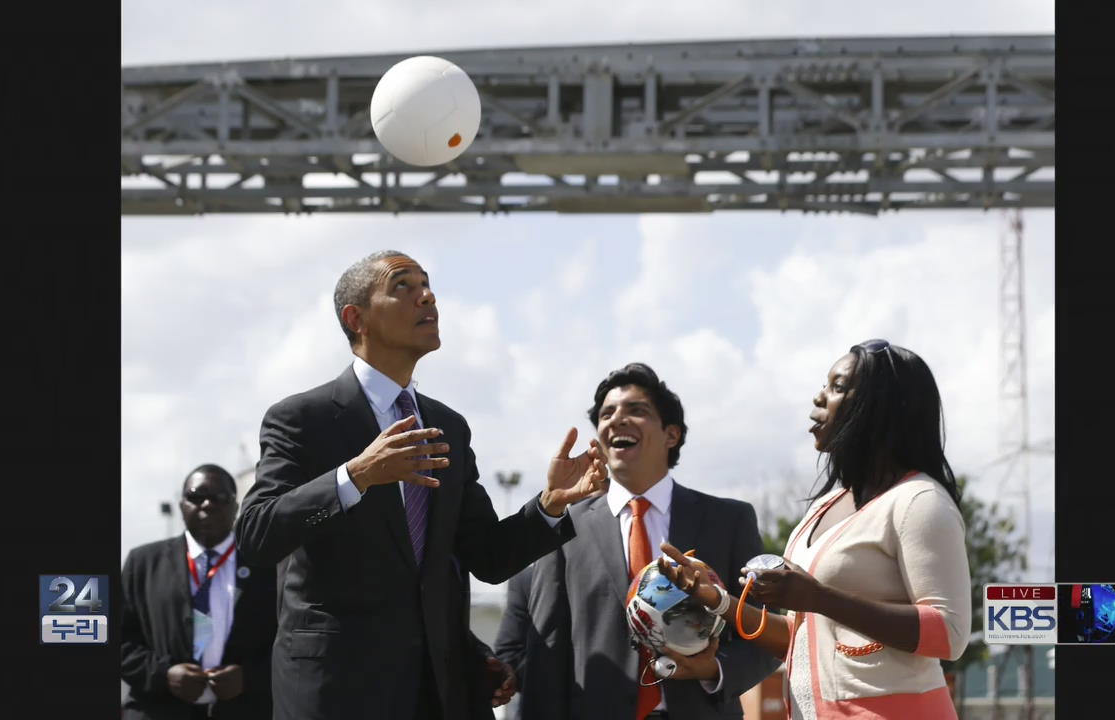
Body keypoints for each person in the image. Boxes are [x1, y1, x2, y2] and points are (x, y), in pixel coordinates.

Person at [235, 250, 606, 720]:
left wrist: (551, 504)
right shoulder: (302, 420)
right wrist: (356, 476)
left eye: (427, 284)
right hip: (337, 691)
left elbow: (487, 557)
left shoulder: (448, 425)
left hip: (435, 689)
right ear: (357, 318)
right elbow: (256, 535)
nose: (427, 296)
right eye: (402, 286)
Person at [659, 340, 971, 720]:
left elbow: (949, 633)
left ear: (880, 408)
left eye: (837, 388)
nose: (819, 398)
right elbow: (801, 637)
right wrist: (718, 600)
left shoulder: (919, 501)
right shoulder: (826, 505)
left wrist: (820, 598)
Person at [494, 362, 780, 719]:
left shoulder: (729, 520)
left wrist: (712, 670)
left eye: (636, 410)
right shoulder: (565, 527)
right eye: (606, 414)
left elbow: (767, 634)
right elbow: (547, 651)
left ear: (671, 435)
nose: (617, 420)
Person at [121, 464, 277, 720]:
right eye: (196, 497)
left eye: (219, 497)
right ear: (182, 505)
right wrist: (163, 675)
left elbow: (288, 639)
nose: (207, 504)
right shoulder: (142, 563)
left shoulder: (267, 566)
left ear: (235, 507)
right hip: (159, 711)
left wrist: (250, 677)